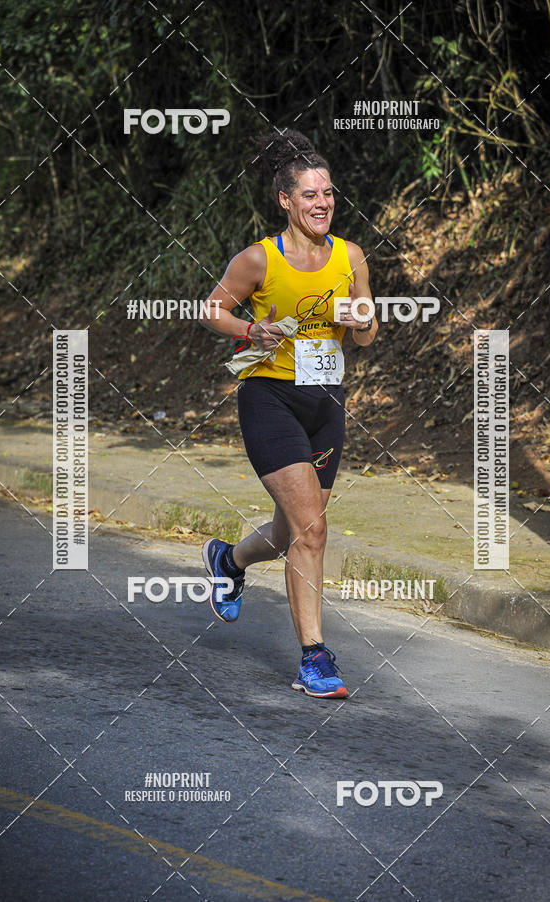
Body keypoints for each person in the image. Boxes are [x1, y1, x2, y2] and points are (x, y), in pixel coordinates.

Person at [199, 129, 377, 698]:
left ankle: (228, 560)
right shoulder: (259, 259)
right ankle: (314, 659)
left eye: (328, 193)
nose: (322, 203)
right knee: (313, 529)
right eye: (310, 194)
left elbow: (369, 333)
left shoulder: (351, 257)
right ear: (286, 200)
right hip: (268, 396)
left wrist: (360, 321)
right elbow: (212, 310)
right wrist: (253, 329)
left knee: (291, 530)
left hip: (325, 402)